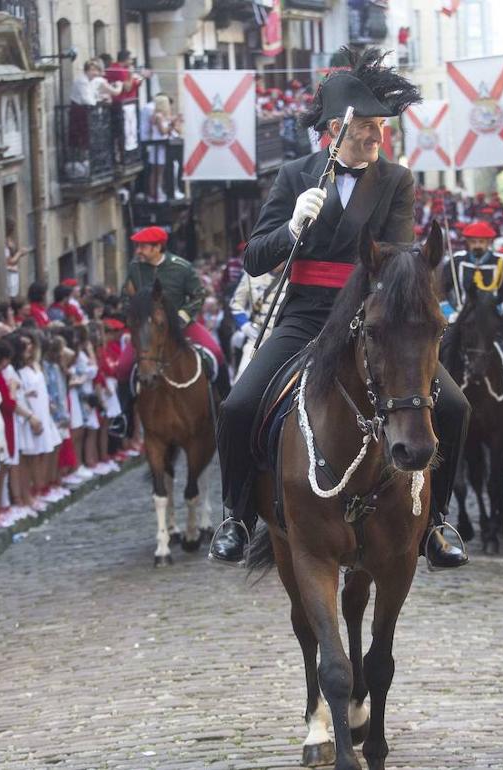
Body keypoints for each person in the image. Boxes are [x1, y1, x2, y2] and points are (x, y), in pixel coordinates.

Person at [210, 47, 469, 570]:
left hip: (370, 319)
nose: (376, 138)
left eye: (379, 128)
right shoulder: (293, 177)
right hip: (305, 316)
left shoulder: (396, 180)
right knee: (238, 406)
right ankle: (236, 515)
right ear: (334, 130)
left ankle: (438, 521)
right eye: (365, 129)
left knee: (456, 407)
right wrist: (291, 228)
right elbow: (256, 259)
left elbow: (396, 259)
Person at [116, 226, 229, 429]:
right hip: (148, 330)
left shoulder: (182, 267)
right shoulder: (135, 269)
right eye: (138, 246)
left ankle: (227, 407)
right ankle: (125, 418)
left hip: (181, 325)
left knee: (216, 353)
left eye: (143, 246)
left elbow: (198, 295)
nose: (138, 250)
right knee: (123, 367)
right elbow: (126, 297)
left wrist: (181, 317)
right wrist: (134, 316)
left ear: (158, 247)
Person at [439, 220, 503, 359]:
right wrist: (451, 312)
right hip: (460, 319)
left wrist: (497, 309)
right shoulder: (456, 261)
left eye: (481, 242)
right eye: (474, 242)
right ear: (467, 242)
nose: (477, 246)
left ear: (489, 242)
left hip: (495, 320)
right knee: (437, 351)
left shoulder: (502, 263)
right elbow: (442, 291)